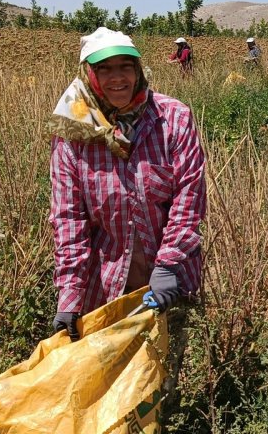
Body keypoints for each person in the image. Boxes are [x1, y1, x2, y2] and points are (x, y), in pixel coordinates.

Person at [48, 26, 205, 341]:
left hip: (170, 279)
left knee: (168, 365)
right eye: (104, 69)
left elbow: (189, 197)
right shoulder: (74, 132)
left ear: (138, 70)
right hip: (106, 283)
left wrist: (169, 265)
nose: (117, 77)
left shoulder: (173, 119)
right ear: (89, 75)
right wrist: (70, 292)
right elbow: (68, 217)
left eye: (125, 66)